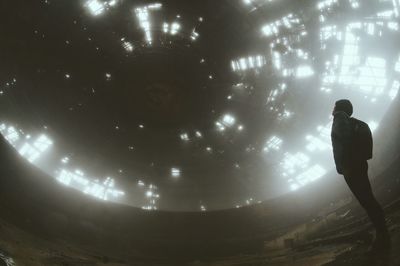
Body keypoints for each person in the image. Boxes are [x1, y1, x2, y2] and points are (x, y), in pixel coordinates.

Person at [331, 99, 390, 250]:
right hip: (358, 163)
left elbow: (346, 140)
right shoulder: (349, 120)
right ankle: (382, 232)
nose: (332, 109)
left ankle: (382, 235)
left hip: (352, 166)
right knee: (368, 199)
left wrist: (347, 166)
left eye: (334, 106)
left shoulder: (339, 118)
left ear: (338, 108)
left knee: (367, 200)